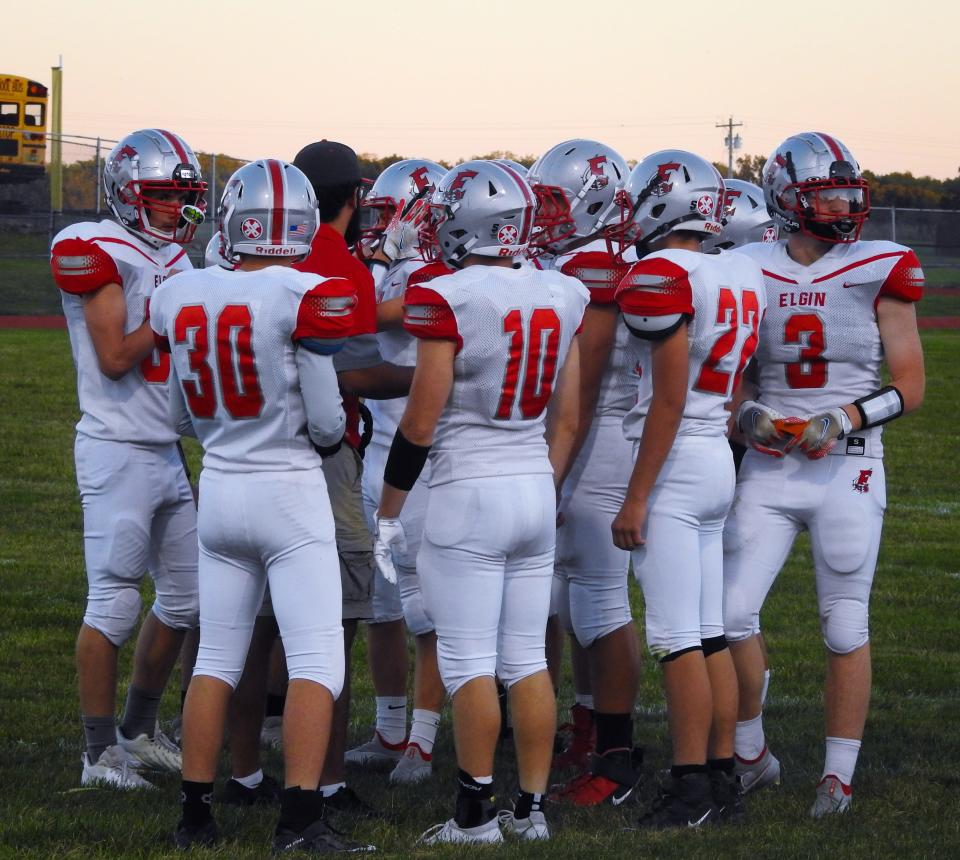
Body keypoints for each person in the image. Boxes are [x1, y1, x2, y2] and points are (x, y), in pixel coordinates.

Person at [151, 158, 370, 853]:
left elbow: (183, 412)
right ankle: (301, 821)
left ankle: (196, 814)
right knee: (316, 660)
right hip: (289, 490)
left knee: (217, 654)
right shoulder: (304, 292)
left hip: (219, 484)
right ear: (302, 224)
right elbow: (331, 426)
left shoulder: (181, 291)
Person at [374, 160, 588, 844]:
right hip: (531, 482)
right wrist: (543, 484)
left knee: (467, 659)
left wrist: (387, 509)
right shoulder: (562, 292)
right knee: (525, 656)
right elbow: (570, 420)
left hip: (468, 489)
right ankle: (529, 811)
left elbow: (420, 421)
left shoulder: (450, 296)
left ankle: (473, 817)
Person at [722, 132, 925, 817]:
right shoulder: (748, 266)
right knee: (728, 615)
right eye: (826, 191)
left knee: (844, 625)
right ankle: (751, 753)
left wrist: (842, 419)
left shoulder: (879, 265)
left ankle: (837, 776)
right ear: (786, 199)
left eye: (847, 189)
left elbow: (911, 385)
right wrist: (748, 416)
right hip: (771, 467)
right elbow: (729, 378)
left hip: (848, 465)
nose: (844, 202)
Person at [609, 150, 766, 827]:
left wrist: (637, 494)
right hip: (716, 458)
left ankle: (691, 785)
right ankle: (723, 773)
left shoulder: (662, 274)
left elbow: (668, 399)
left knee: (677, 639)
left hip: (675, 462)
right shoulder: (740, 268)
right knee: (709, 635)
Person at [50, 128, 205, 789]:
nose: (175, 209)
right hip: (116, 449)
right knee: (113, 603)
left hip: (165, 447)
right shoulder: (96, 248)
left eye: (182, 196)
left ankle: (138, 731)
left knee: (189, 600)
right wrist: (168, 316)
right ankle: (98, 754)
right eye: (162, 195)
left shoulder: (176, 259)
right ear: (125, 194)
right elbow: (116, 356)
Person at [291, 140, 414, 816]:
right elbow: (356, 370)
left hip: (239, 456)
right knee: (334, 621)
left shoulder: (266, 255)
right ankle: (327, 780)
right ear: (351, 196)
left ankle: (246, 770)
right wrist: (438, 380)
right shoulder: (336, 260)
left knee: (247, 630)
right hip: (325, 453)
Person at [525, 139, 644, 806]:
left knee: (599, 598)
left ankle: (619, 756)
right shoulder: (579, 257)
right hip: (581, 438)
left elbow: (589, 381)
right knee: (573, 597)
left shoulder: (598, 266)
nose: (544, 215)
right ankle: (588, 726)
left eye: (553, 201)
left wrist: (555, 465)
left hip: (599, 441)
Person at [352, 158, 451, 784]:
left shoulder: (438, 276)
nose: (380, 228)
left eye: (392, 216)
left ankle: (422, 739)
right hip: (378, 455)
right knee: (381, 607)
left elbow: (355, 318)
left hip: (424, 462)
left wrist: (380, 266)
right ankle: (391, 731)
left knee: (426, 610)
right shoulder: (388, 269)